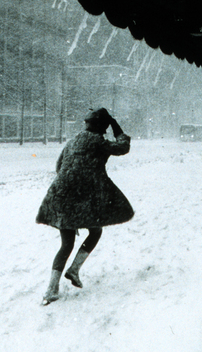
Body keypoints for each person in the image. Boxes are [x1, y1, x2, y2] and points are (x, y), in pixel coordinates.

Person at [36, 108, 134, 305]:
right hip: (83, 197)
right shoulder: (98, 142)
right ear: (101, 128)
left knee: (66, 244)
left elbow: (58, 166)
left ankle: (51, 289)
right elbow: (123, 147)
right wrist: (116, 126)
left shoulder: (71, 142)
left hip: (61, 195)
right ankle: (74, 270)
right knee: (95, 231)